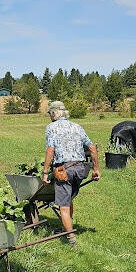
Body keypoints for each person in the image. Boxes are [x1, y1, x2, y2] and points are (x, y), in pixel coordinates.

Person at [41, 100, 100, 246]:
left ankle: (71, 239)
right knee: (69, 199)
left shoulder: (51, 128)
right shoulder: (77, 126)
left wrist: (45, 172)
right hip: (80, 169)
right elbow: (92, 148)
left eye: (50, 114)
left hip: (64, 171)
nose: (50, 116)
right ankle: (65, 227)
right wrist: (96, 169)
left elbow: (50, 150)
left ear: (54, 113)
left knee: (64, 206)